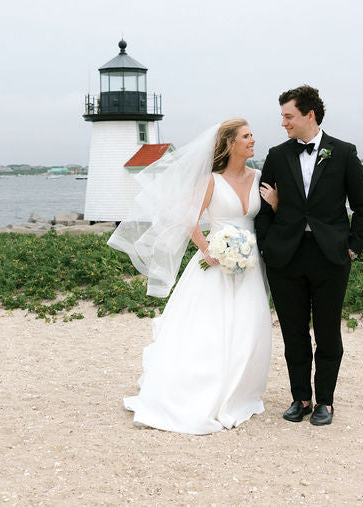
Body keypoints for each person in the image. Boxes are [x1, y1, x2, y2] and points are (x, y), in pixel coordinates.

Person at [109, 119, 272, 434]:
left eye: (252, 134)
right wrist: (209, 250)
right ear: (229, 144)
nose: (253, 140)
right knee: (210, 328)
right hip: (215, 264)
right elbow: (188, 218)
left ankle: (238, 392)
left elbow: (266, 217)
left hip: (250, 265)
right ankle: (203, 390)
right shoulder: (211, 180)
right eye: (246, 136)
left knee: (248, 326)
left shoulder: (260, 178)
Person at [254, 85, 363, 427]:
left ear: (310, 115)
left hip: (330, 258)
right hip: (286, 258)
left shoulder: (344, 153)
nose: (283, 123)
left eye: (288, 116)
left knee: (327, 332)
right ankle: (300, 398)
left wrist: (352, 247)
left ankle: (326, 402)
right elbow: (263, 209)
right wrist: (267, 246)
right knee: (293, 333)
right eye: (282, 117)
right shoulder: (277, 156)